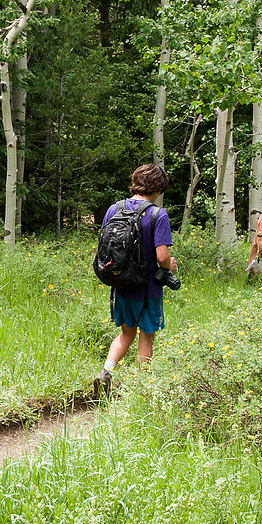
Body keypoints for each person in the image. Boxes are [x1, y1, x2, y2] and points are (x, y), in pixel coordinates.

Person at [96, 164, 177, 392]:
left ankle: (106, 372)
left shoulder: (114, 209)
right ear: (158, 189)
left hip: (121, 283)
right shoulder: (157, 214)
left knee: (125, 333)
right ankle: (139, 388)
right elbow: (162, 256)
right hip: (148, 287)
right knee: (146, 335)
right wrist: (169, 265)